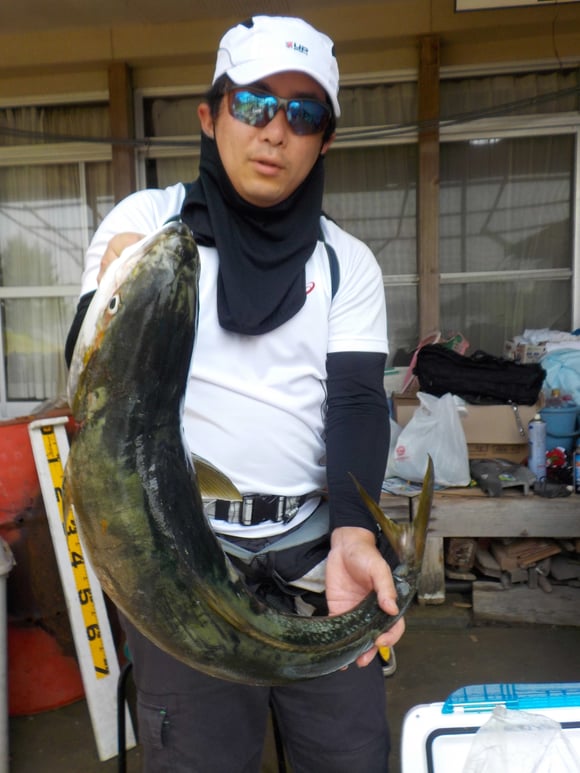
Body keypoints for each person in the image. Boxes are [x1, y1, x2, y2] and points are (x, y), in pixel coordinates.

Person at [65, 15, 404, 773]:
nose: (275, 131)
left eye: (304, 114)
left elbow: (356, 402)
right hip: (181, 563)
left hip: (315, 564)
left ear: (325, 141)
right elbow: (96, 380)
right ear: (210, 115)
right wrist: (110, 293)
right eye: (253, 104)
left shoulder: (346, 262)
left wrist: (355, 535)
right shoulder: (150, 226)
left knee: (350, 759)